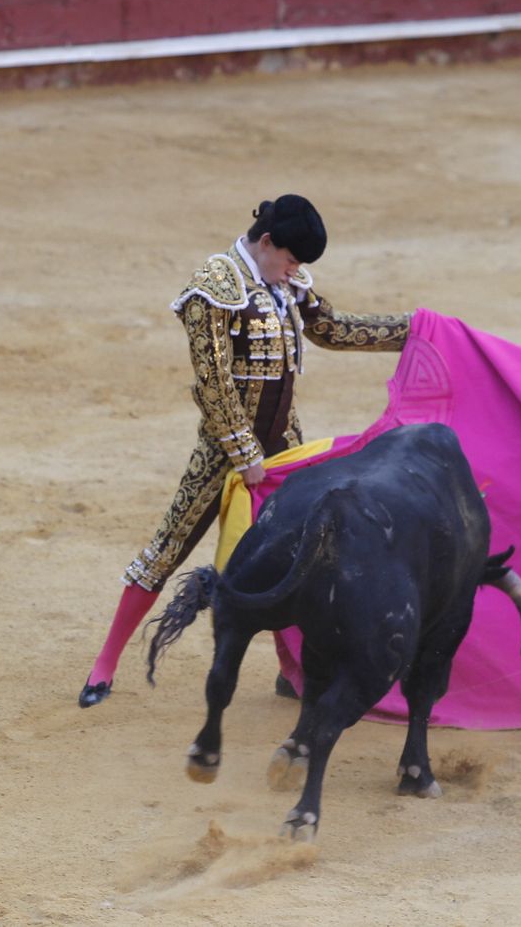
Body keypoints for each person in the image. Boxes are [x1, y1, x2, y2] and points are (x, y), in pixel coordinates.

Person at [79, 194, 411, 707]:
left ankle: (290, 667)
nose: (295, 271)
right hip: (225, 451)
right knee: (167, 547)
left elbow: (333, 330)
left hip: (286, 445)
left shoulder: (287, 281)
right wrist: (244, 454)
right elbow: (212, 384)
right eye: (291, 259)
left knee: (300, 557)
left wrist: (413, 331)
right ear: (266, 242)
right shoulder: (213, 288)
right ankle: (104, 664)